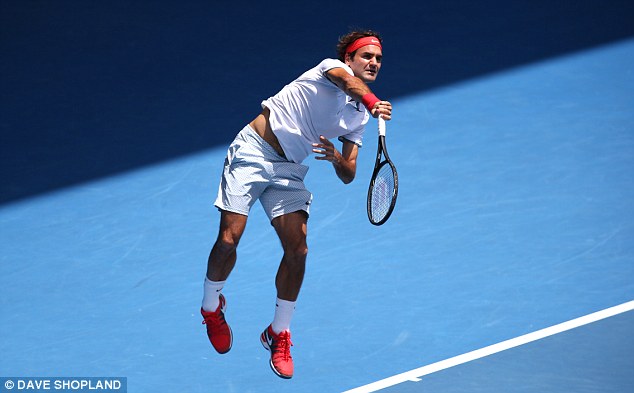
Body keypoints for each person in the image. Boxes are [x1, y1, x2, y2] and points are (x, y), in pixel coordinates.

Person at [200, 30, 392, 379]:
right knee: (228, 239)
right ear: (349, 59)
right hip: (254, 150)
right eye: (367, 56)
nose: (374, 63)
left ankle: (279, 332)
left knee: (298, 251)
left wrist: (335, 156)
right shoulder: (331, 69)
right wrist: (371, 101)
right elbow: (351, 86)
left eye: (378, 59)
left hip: (289, 169)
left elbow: (349, 172)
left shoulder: (359, 119)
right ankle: (211, 307)